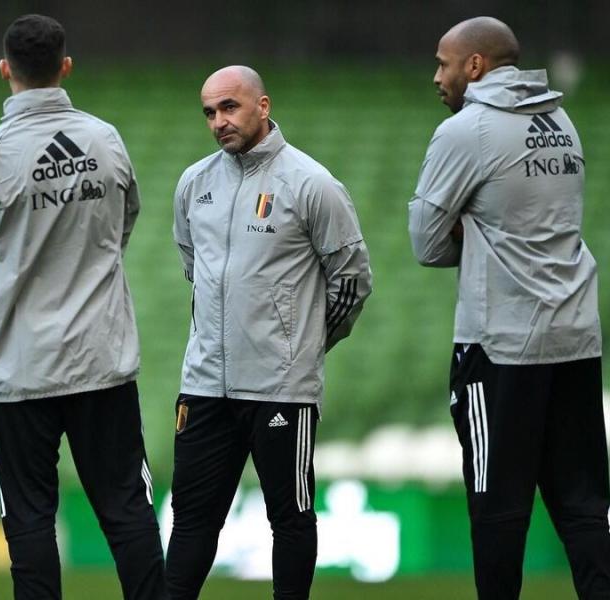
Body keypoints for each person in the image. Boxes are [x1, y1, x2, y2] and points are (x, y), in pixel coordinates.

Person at [0, 14, 166, 600]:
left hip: (20, 368)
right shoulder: (104, 139)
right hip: (101, 359)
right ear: (66, 66)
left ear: (4, 68)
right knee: (125, 508)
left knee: (30, 517)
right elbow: (124, 222)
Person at [409, 16, 610, 599]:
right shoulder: (559, 120)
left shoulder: (466, 130)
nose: (436, 76)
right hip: (575, 338)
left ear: (475, 67)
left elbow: (425, 243)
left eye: (444, 63)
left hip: (500, 346)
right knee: (583, 509)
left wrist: (474, 238)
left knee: (498, 511)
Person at [167, 65, 372, 600]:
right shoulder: (194, 184)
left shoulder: (312, 184)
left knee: (291, 520)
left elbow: (351, 281)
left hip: (281, 387)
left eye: (229, 107)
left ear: (263, 105)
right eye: (209, 112)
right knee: (190, 521)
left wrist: (301, 343)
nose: (218, 121)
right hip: (205, 385)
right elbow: (195, 267)